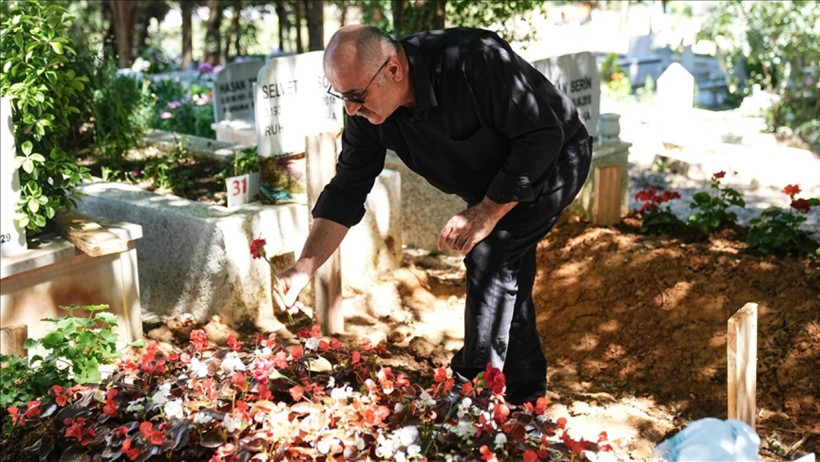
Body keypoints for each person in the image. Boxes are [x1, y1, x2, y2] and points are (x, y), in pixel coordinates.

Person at [275, 24, 592, 406]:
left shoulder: (471, 60)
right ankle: (526, 401)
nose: (351, 109)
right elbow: (346, 190)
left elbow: (542, 135)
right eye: (342, 96)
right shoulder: (366, 113)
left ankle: (471, 391)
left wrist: (487, 211)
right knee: (506, 280)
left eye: (356, 96)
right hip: (494, 182)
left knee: (491, 254)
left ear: (394, 69)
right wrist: (304, 268)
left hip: (552, 160)